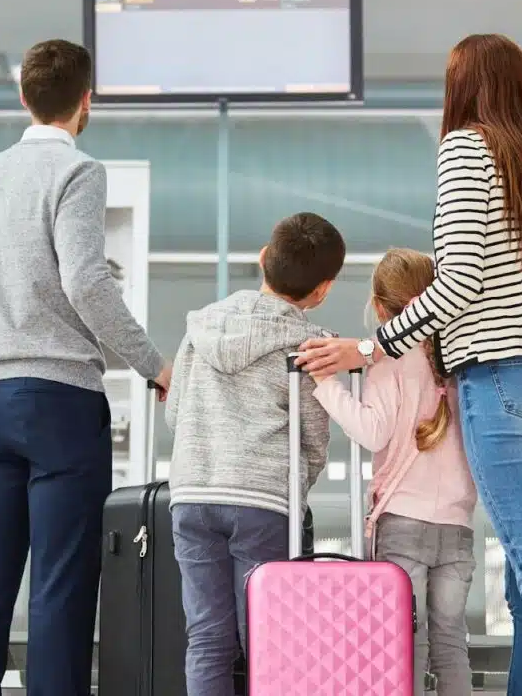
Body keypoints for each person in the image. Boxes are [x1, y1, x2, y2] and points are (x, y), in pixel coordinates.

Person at [296, 33, 522, 696]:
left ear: (463, 88)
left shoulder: (465, 152)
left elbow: (456, 284)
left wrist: (370, 347)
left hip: (503, 380)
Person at [0, 39, 172, 696]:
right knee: (60, 584)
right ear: (86, 101)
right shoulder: (78, 173)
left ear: (23, 98)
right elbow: (88, 283)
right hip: (62, 402)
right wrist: (155, 366)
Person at [166, 212, 345, 696]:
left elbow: (175, 414)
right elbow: (313, 439)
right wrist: (294, 488)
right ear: (323, 288)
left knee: (206, 638)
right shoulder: (311, 347)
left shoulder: (200, 329)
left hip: (193, 493)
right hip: (263, 500)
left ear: (263, 259)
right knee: (267, 638)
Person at [309, 248, 477, 696]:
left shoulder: (391, 359)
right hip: (458, 526)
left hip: (403, 521)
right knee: (450, 642)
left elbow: (372, 431)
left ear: (380, 307)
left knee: (406, 641)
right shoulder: (461, 362)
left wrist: (326, 385)